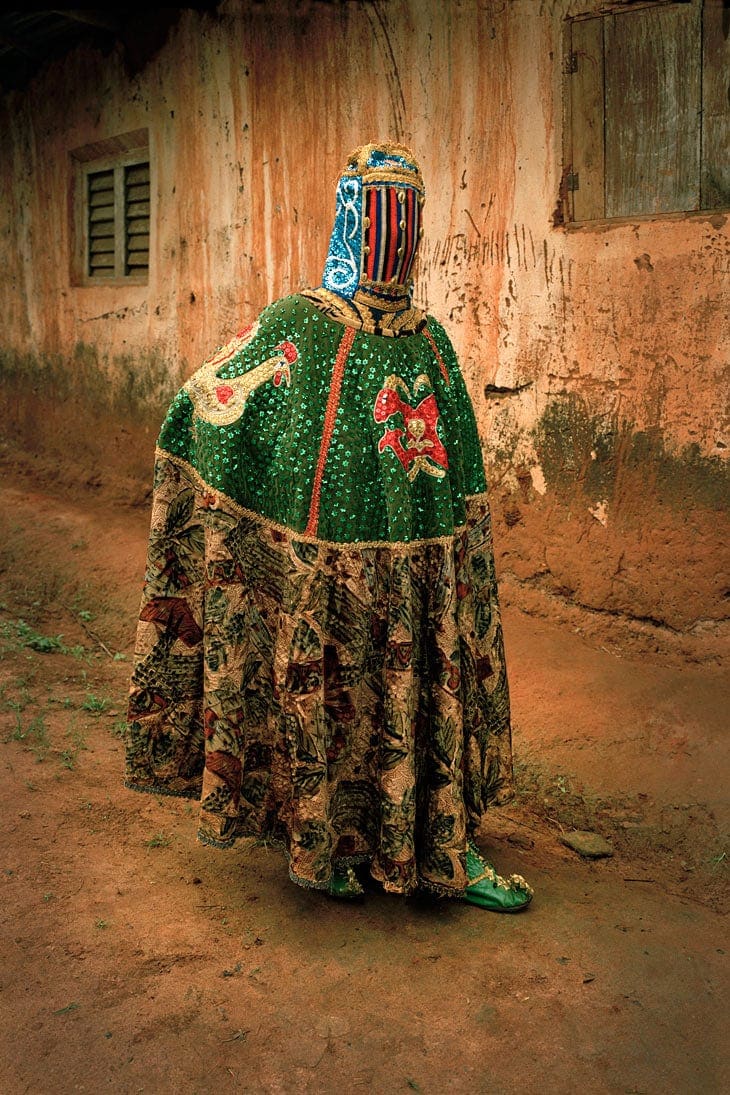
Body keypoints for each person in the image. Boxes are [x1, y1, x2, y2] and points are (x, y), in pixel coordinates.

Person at [125, 142, 533, 912]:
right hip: (323, 573)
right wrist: (207, 440)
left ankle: (433, 838)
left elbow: (462, 478)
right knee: (335, 687)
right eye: (381, 208)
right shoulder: (299, 325)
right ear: (352, 217)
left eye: (407, 210)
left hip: (415, 574)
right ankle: (330, 841)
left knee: (408, 687)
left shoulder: (431, 341)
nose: (395, 229)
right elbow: (217, 394)